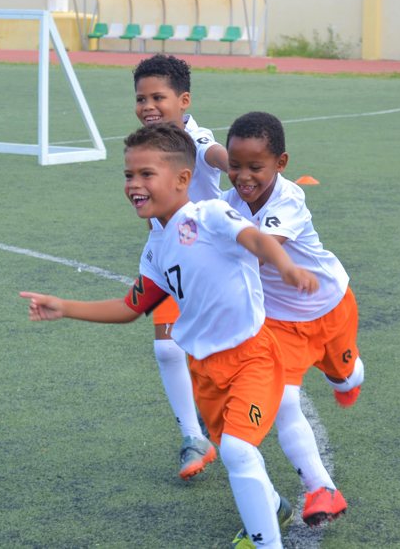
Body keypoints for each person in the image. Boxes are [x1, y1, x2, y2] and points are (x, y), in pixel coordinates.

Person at [21, 124, 318, 548]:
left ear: (182, 179)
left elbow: (253, 237)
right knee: (236, 453)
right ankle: (273, 508)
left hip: (253, 356)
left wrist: (286, 267)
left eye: (146, 174)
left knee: (235, 451)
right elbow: (131, 307)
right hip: (206, 372)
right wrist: (65, 306)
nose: (134, 185)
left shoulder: (210, 214)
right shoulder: (156, 249)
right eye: (129, 175)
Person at [222, 111, 364, 527]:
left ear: (281, 164)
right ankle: (322, 489)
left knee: (347, 377)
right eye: (234, 165)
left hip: (331, 306)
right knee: (284, 401)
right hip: (280, 324)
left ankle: (346, 379)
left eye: (255, 167)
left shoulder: (289, 199)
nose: (243, 177)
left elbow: (263, 246)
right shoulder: (227, 204)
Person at [132, 54, 229, 480]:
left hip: (212, 260)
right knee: (166, 347)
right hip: (167, 254)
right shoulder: (144, 142)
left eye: (158, 97)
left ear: (183, 100)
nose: (148, 105)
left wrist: (242, 166)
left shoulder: (196, 136)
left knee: (227, 354)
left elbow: (216, 155)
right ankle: (193, 437)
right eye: (141, 98)